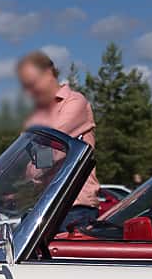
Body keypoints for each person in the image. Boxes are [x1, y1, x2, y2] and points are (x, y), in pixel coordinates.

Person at [17, 51, 99, 230]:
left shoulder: (75, 103)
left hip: (75, 208)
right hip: (49, 206)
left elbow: (46, 155)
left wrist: (36, 164)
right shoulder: (36, 113)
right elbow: (28, 162)